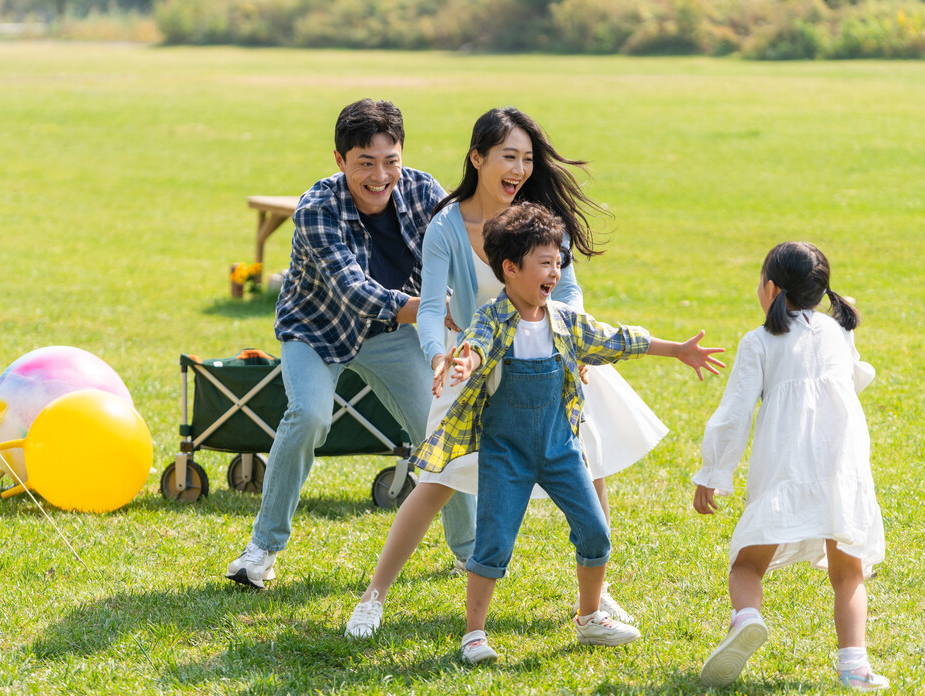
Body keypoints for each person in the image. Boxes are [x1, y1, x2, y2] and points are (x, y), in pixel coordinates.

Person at [345, 107, 667, 638]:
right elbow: (430, 307)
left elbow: (567, 291)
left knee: (592, 461)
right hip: (474, 366)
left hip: (550, 358)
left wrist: (579, 350)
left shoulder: (538, 221)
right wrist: (437, 356)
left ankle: (596, 593)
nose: (519, 168)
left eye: (527, 158)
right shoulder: (447, 226)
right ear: (477, 158)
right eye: (508, 157)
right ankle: (373, 597)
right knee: (434, 482)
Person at [417, 202, 725, 663]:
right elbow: (477, 345)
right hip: (507, 453)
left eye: (558, 262)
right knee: (493, 543)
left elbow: (618, 339)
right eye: (545, 262)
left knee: (596, 531)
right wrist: (465, 361)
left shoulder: (564, 320)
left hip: (561, 449)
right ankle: (474, 634)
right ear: (510, 268)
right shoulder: (493, 317)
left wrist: (676, 350)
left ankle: (588, 618)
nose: (555, 271)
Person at [225, 99, 476, 588]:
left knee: (443, 422)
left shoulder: (425, 190)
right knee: (309, 416)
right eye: (365, 163)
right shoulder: (316, 207)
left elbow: (467, 247)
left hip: (393, 333)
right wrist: (434, 309)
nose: (380, 175)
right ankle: (262, 550)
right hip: (317, 329)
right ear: (340, 161)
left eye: (390, 161)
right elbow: (355, 291)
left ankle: (471, 552)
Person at [691, 242, 887, 690]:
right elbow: (853, 379)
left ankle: (747, 618)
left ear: (771, 288)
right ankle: (855, 666)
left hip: (786, 468)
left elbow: (734, 415)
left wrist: (713, 475)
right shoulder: (838, 333)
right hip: (842, 468)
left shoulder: (758, 341)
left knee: (745, 566)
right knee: (849, 572)